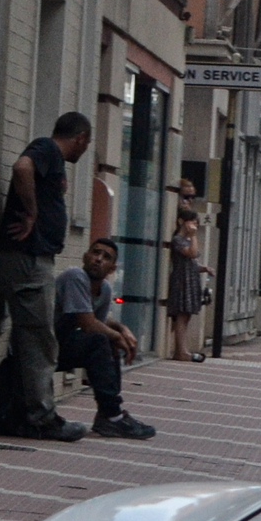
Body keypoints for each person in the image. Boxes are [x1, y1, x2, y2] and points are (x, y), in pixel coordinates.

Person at [0, 112, 94, 441]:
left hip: (33, 258)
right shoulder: (47, 149)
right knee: (39, 338)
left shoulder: (51, 156)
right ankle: (41, 417)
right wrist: (33, 213)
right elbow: (22, 167)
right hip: (28, 258)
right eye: (86, 144)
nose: (84, 150)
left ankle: (17, 411)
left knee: (29, 339)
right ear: (80, 138)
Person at [57, 238, 156, 438]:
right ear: (85, 256)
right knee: (102, 340)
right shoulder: (75, 277)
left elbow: (98, 325)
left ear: (112, 268)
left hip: (62, 347)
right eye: (95, 253)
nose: (98, 259)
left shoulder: (106, 290)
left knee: (106, 340)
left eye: (106, 257)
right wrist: (118, 335)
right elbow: (88, 323)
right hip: (44, 346)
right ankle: (113, 415)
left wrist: (120, 329)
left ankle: (108, 415)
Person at [166, 182, 207, 362]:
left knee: (187, 314)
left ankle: (182, 349)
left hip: (190, 277)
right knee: (181, 314)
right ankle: (180, 351)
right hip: (182, 279)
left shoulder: (186, 239)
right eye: (191, 222)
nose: (194, 226)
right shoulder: (179, 239)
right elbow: (192, 253)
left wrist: (203, 268)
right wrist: (193, 235)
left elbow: (194, 257)